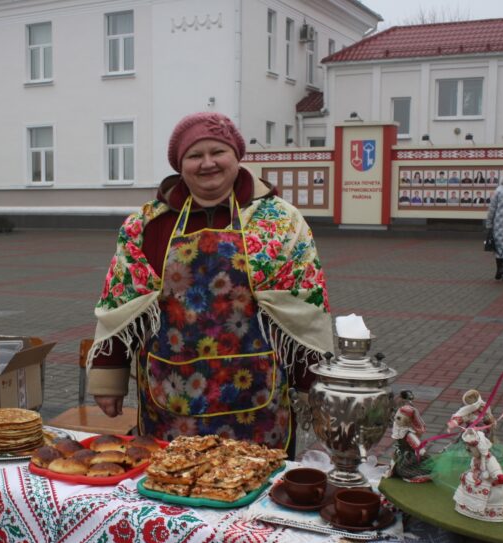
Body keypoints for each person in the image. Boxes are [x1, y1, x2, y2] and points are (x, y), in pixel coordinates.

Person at [88, 112, 332, 454]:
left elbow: (305, 311)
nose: (207, 163)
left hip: (259, 404)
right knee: (173, 490)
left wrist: (311, 389)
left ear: (236, 155)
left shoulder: (280, 222)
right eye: (194, 155)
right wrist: (108, 379)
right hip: (169, 403)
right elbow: (121, 304)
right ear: (180, 164)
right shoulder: (147, 225)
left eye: (217, 151)